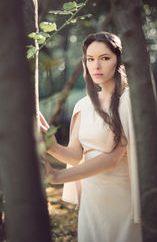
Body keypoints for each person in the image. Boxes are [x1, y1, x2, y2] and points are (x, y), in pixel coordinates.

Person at [40, 32, 142, 242]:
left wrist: (57, 176)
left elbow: (111, 159)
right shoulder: (83, 106)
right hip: (91, 200)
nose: (96, 65)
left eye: (105, 58)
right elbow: (76, 155)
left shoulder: (128, 101)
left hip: (121, 201)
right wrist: (49, 144)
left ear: (118, 61)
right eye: (90, 59)